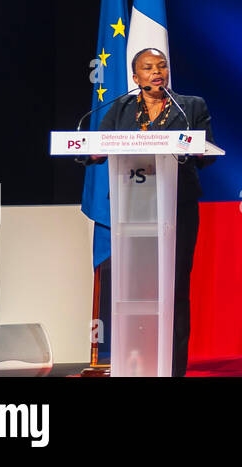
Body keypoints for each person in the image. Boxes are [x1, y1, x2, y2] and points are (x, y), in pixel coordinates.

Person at [94, 47, 216, 377]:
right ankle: (134, 362)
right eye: (148, 68)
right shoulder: (119, 108)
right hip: (131, 209)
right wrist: (90, 152)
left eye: (161, 66)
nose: (156, 72)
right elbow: (98, 148)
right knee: (134, 286)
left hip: (178, 208)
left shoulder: (190, 106)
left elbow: (207, 153)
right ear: (136, 77)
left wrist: (194, 147)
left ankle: (173, 368)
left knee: (173, 287)